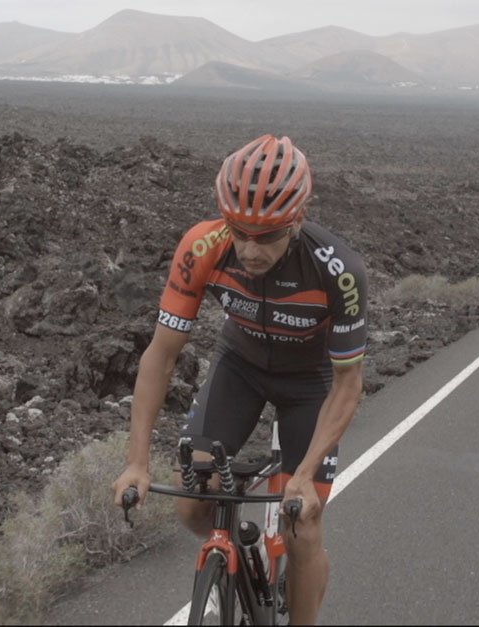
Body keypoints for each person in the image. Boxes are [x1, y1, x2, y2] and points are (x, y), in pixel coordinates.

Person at [112, 134, 367, 625]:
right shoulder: (202, 246)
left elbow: (348, 384)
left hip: (310, 385)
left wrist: (303, 475)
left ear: (297, 219)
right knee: (193, 504)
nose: (250, 249)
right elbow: (160, 358)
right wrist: (136, 463)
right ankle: (234, 560)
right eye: (239, 232)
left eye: (267, 236)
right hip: (240, 368)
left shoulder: (339, 270)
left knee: (303, 526)